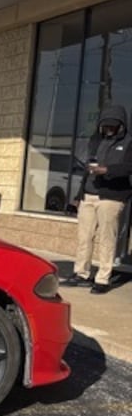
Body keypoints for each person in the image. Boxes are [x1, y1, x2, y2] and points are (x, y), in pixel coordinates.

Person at [62, 104, 132, 294]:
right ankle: (81, 273)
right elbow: (87, 170)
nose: (108, 129)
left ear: (121, 125)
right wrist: (78, 195)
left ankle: (102, 278)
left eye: (112, 126)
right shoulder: (95, 141)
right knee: (84, 237)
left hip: (111, 197)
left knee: (107, 238)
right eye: (105, 125)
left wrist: (107, 170)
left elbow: (128, 168)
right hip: (89, 195)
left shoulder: (128, 143)